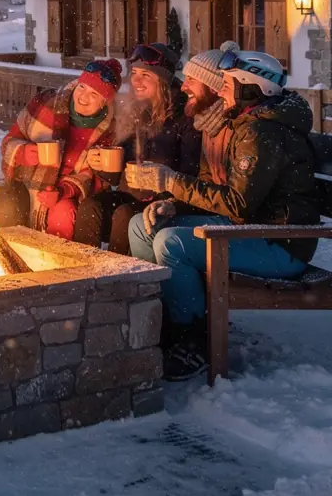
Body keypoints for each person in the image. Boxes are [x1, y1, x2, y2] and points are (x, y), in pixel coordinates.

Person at [125, 48, 320, 380]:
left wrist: (171, 182)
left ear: (250, 88)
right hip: (248, 228)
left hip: (280, 242)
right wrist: (173, 203)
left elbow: (238, 204)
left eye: (228, 85)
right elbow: (211, 188)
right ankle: (170, 322)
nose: (222, 91)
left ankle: (194, 337)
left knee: (173, 243)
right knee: (141, 226)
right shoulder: (244, 122)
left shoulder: (262, 132)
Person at [0, 59, 122, 243]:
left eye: (94, 94)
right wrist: (23, 152)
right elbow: (8, 142)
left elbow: (95, 176)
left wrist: (63, 191)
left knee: (65, 211)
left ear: (105, 102)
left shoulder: (110, 129)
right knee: (11, 202)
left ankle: (55, 263)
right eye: (82, 88)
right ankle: (7, 255)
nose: (83, 97)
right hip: (27, 182)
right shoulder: (45, 103)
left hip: (68, 192)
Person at [106, 44, 200, 254]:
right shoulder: (136, 111)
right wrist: (103, 164)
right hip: (131, 194)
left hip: (165, 200)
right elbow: (119, 170)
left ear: (163, 80)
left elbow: (190, 171)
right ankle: (82, 275)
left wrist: (160, 180)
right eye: (135, 73)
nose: (136, 80)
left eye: (146, 75)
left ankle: (114, 280)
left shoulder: (185, 118)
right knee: (91, 206)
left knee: (124, 214)